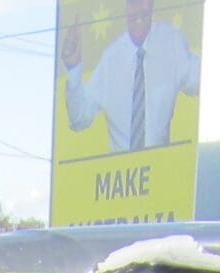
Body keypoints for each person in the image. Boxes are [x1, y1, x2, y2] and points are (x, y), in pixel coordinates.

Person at [61, 0, 196, 156]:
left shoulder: (170, 41)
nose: (138, 8)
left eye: (143, 2)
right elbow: (79, 119)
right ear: (125, 9)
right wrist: (73, 68)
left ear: (152, 5)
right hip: (120, 170)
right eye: (132, 2)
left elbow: (200, 81)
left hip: (162, 168)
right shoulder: (110, 59)